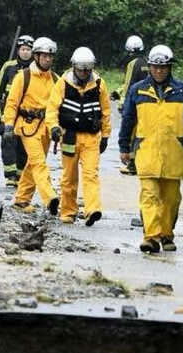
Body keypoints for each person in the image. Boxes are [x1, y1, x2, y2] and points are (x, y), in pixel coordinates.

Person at [118, 44, 183, 252]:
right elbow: (128, 120)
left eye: (163, 67)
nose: (159, 71)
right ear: (150, 67)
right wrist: (124, 147)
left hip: (175, 154)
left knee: (171, 199)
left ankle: (166, 234)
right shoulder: (138, 91)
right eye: (155, 67)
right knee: (149, 194)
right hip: (147, 152)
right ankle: (151, 237)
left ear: (170, 68)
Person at [46, 47, 111, 226]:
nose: (84, 73)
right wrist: (53, 128)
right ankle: (68, 212)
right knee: (69, 176)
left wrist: (105, 135)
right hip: (69, 136)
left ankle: (92, 210)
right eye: (81, 69)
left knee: (91, 175)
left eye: (87, 69)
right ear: (74, 66)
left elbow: (105, 111)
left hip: (91, 137)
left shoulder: (99, 84)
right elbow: (52, 109)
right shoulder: (62, 83)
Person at [3, 36, 60, 214]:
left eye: (50, 56)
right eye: (44, 56)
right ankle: (49, 197)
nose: (48, 59)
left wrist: (58, 128)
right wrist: (8, 125)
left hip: (46, 127)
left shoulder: (56, 79)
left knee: (31, 165)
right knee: (38, 162)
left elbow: (59, 106)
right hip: (27, 126)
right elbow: (12, 102)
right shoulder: (23, 76)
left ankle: (21, 199)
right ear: (36, 56)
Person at [0, 35, 33, 186]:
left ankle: (20, 174)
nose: (25, 52)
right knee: (7, 141)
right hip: (9, 113)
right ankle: (10, 175)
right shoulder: (8, 67)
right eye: (23, 49)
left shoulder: (36, 68)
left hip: (27, 115)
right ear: (18, 50)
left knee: (24, 145)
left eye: (28, 49)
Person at [113, 35, 148, 175]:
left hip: (134, 105)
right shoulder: (146, 62)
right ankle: (140, 162)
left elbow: (129, 85)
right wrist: (117, 92)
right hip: (146, 104)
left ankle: (132, 166)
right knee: (141, 133)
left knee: (131, 135)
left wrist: (123, 104)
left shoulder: (132, 64)